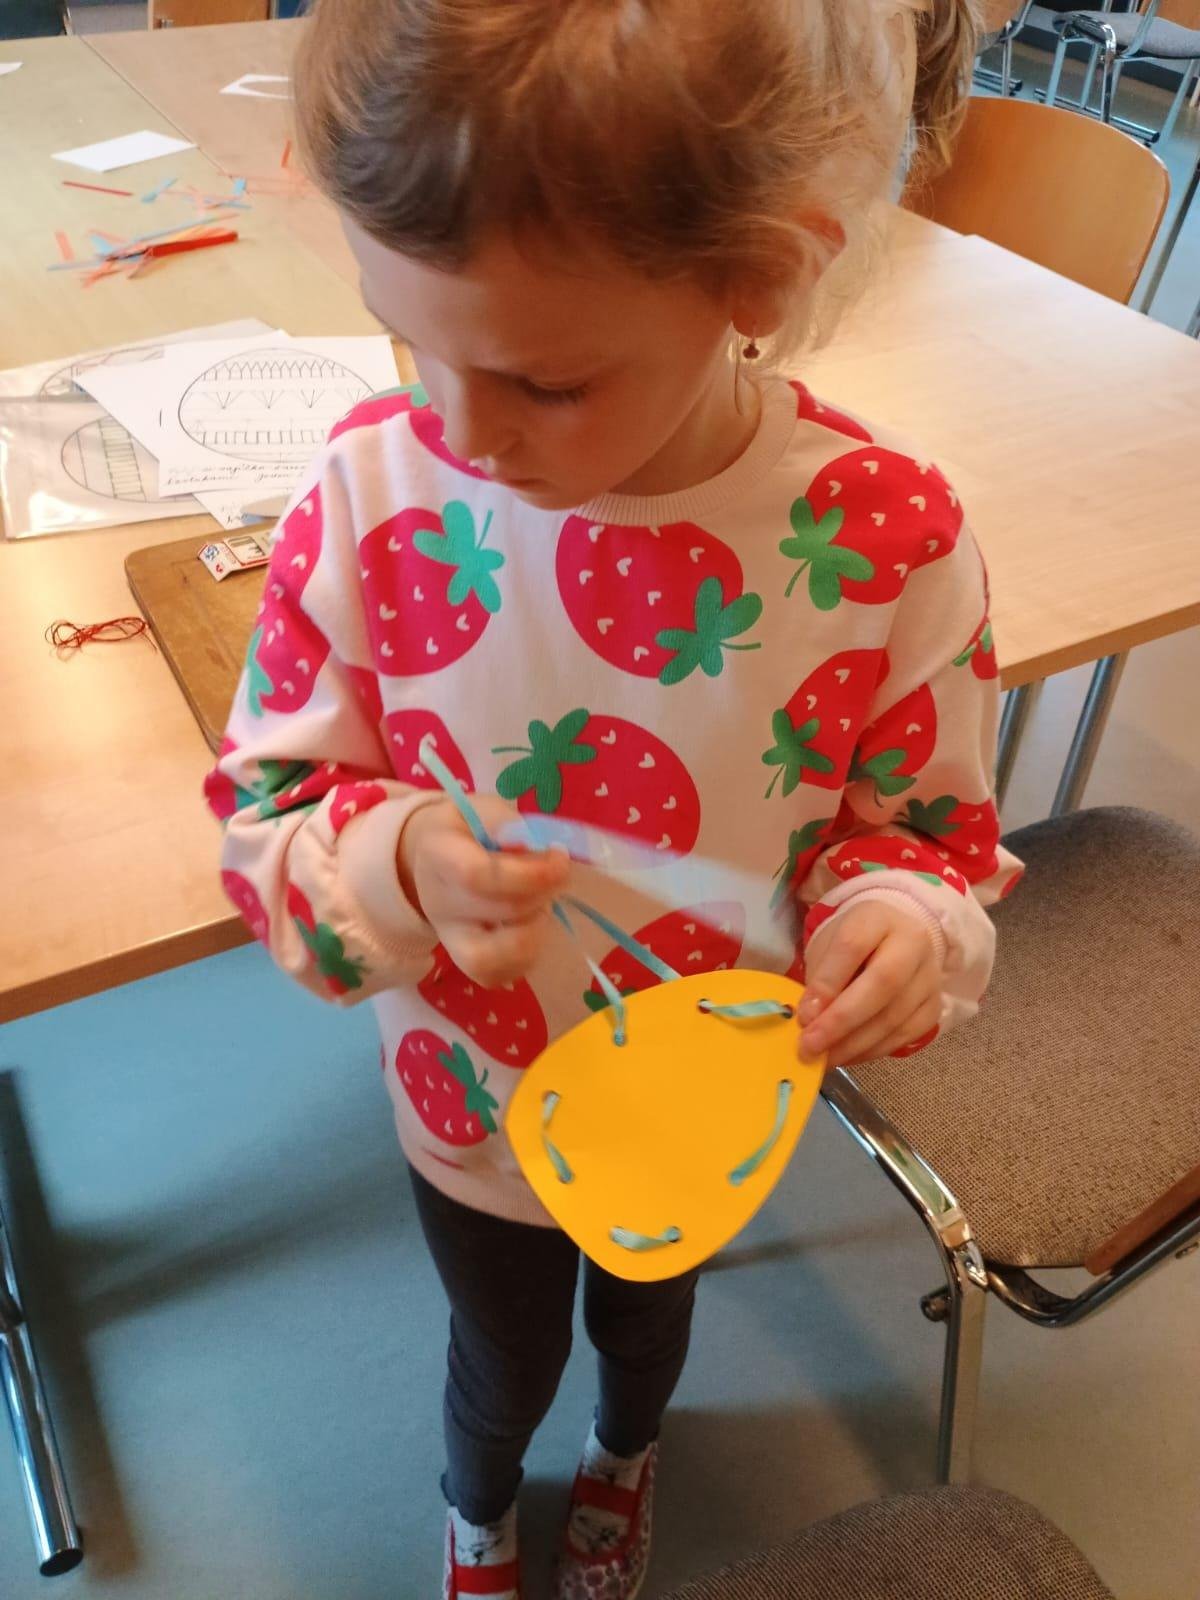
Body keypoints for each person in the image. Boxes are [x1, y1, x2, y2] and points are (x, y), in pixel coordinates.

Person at [205, 1, 1022, 1594]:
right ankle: (477, 1507)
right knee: (498, 1354)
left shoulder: (883, 544)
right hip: (473, 1104)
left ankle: (628, 1457)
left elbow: (925, 839)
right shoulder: (374, 497)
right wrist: (394, 857)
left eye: (545, 379)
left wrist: (906, 925)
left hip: (701, 1111)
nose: (460, 428)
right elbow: (270, 819)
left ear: (760, 280)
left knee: (649, 1330)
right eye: (406, 339)